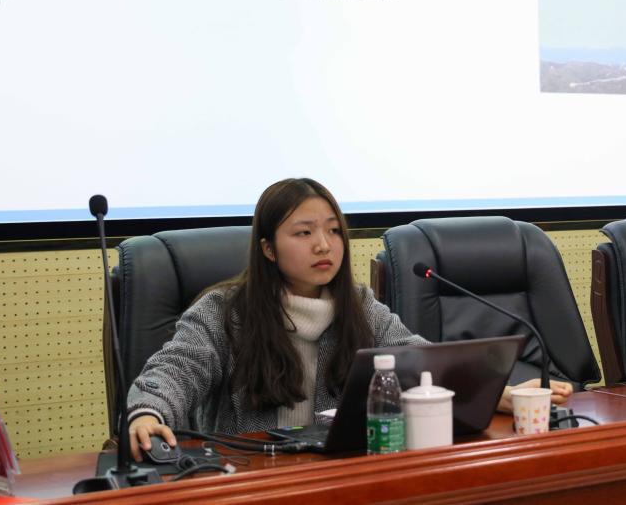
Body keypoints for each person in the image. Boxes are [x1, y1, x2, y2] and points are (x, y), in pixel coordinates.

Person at [128, 177, 571, 459]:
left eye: (333, 230)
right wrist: (147, 414)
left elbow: (421, 361)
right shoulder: (224, 312)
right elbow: (173, 371)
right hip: (253, 477)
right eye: (304, 233)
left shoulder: (358, 305)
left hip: (340, 473)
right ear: (268, 249)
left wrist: (495, 392)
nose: (324, 245)